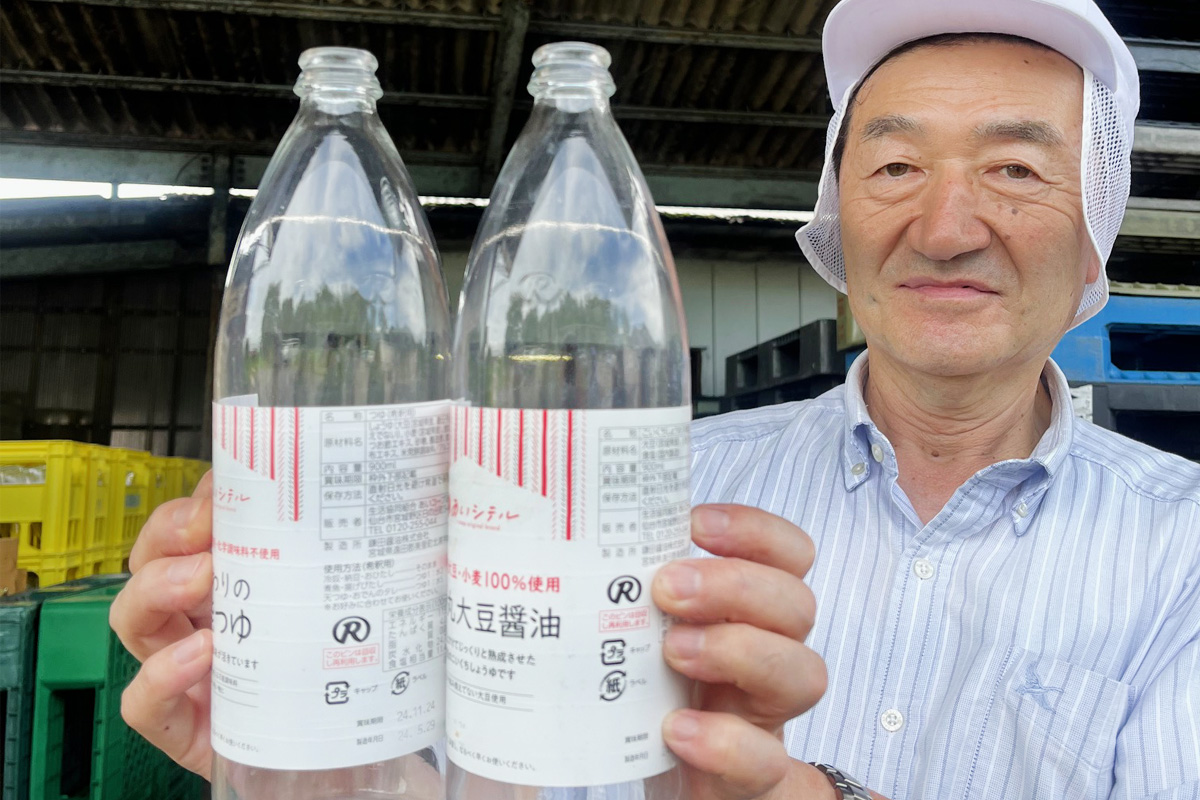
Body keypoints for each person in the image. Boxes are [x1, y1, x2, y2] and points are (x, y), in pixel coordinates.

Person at [110, 0, 1200, 796]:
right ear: (838, 223)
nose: (948, 227)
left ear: (1095, 236)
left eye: (1015, 171)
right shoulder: (655, 493)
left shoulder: (1179, 552)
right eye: (894, 169)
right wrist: (344, 767)